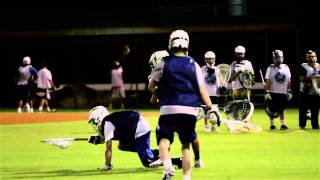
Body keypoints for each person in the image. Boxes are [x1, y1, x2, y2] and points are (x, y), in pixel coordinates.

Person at [148, 30, 216, 180]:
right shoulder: (195, 65)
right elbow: (202, 89)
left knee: (164, 141)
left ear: (171, 44)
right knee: (186, 145)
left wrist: (159, 92)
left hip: (168, 109)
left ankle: (167, 168)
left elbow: (151, 87)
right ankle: (186, 176)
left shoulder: (163, 63)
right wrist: (212, 108)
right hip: (189, 110)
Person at [148, 50, 204, 168]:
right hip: (170, 110)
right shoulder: (159, 74)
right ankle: (164, 158)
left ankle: (197, 159)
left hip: (185, 107)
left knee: (191, 137)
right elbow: (153, 100)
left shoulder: (179, 70)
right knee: (164, 134)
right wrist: (157, 90)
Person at [87, 105, 182, 170]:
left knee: (148, 163)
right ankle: (155, 153)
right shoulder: (109, 121)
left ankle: (177, 161)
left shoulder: (107, 123)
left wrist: (107, 165)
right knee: (122, 146)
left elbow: (108, 148)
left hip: (139, 128)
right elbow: (109, 137)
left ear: (99, 118)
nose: (95, 125)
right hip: (134, 129)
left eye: (94, 122)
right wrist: (98, 139)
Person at [264, 50, 292, 130]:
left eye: (279, 57)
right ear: (273, 58)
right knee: (271, 109)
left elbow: (289, 79)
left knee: (282, 109)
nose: (277, 59)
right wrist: (267, 91)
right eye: (276, 57)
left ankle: (282, 124)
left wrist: (289, 90)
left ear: (282, 57)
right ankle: (272, 124)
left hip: (282, 92)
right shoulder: (270, 67)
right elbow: (267, 80)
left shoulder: (286, 67)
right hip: (273, 92)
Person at [299, 50, 320, 129]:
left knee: (315, 110)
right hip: (305, 90)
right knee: (303, 110)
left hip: (315, 91)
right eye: (309, 57)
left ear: (316, 57)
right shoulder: (304, 66)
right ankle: (302, 125)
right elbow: (301, 79)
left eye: (312, 56)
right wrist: (311, 79)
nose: (311, 58)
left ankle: (315, 125)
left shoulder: (319, 66)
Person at [201, 51, 221, 132]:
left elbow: (219, 81)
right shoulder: (202, 69)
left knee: (215, 110)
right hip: (205, 93)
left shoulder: (217, 69)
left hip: (214, 92)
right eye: (208, 59)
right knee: (206, 110)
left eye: (211, 59)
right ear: (206, 59)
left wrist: (220, 89)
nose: (210, 61)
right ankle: (206, 125)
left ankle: (214, 125)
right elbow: (201, 81)